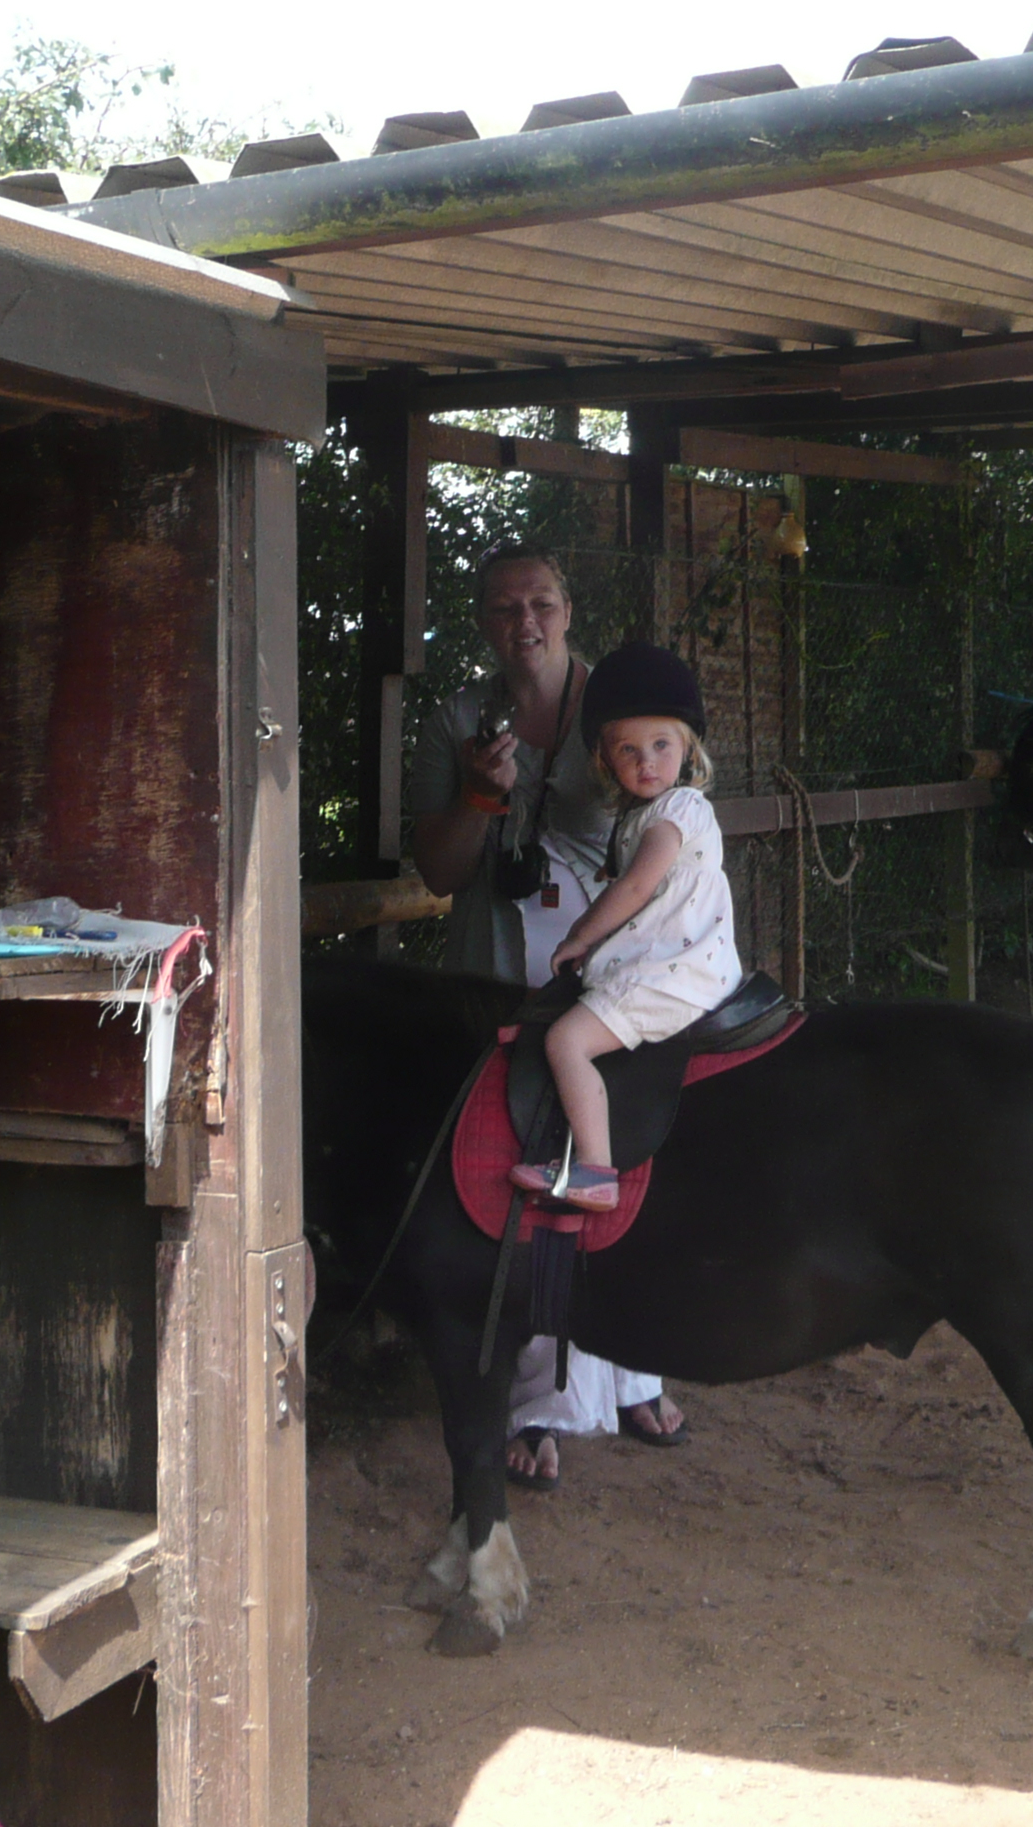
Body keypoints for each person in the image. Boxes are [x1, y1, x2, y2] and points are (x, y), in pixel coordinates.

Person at [406, 543, 689, 1481]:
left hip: (605, 963)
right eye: (502, 607)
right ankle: (540, 1400)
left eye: (539, 603)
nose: (523, 622)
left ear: (567, 610)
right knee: (521, 1175)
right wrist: (480, 795)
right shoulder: (457, 719)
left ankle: (635, 1365)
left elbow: (670, 818)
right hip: (497, 964)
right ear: (483, 622)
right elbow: (439, 872)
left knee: (623, 1156)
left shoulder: (619, 705)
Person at [507, 639, 743, 1212]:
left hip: (672, 972)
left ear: (688, 750)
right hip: (664, 964)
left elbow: (636, 887)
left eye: (661, 745)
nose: (646, 762)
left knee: (567, 1042)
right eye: (628, 750)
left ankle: (595, 1172)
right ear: (605, 760)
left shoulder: (679, 810)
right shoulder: (641, 818)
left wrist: (579, 936)